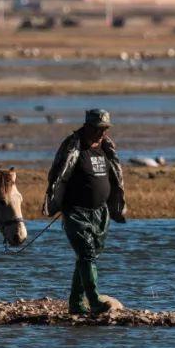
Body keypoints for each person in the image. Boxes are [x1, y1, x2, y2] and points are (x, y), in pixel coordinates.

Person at [43, 108, 126, 314]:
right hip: (76, 211)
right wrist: (56, 202)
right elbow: (57, 174)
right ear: (87, 126)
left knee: (88, 256)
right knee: (87, 254)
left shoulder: (107, 147)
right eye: (98, 129)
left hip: (100, 212)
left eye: (105, 129)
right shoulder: (72, 146)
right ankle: (94, 300)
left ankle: (76, 303)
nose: (102, 133)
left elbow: (115, 176)